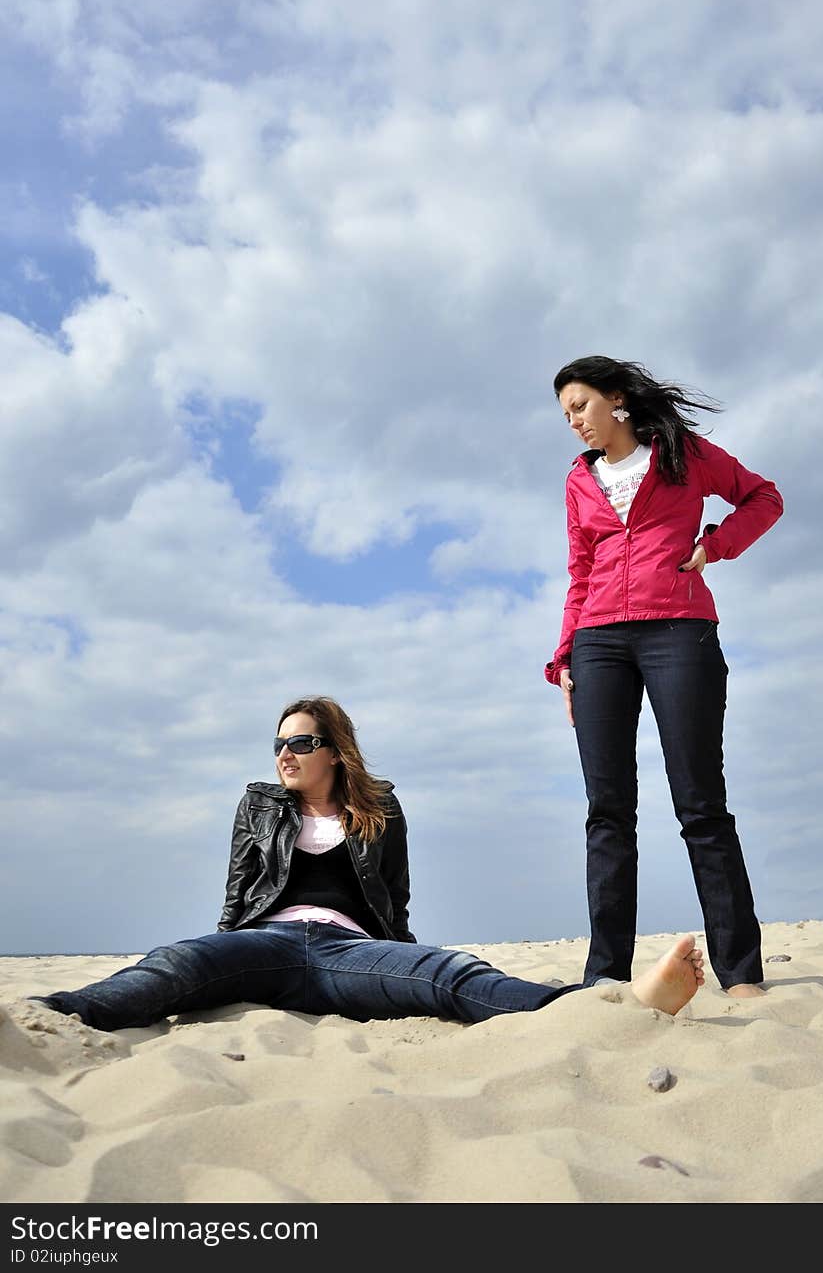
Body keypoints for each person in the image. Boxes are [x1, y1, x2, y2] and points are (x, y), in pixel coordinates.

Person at [32, 696, 704, 1030]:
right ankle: (55, 1011)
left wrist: (399, 960)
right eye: (277, 743)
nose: (284, 753)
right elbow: (236, 896)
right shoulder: (259, 804)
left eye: (300, 740)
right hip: (261, 943)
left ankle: (600, 1011)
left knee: (450, 973)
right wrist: (222, 954)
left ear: (334, 749)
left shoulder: (379, 808)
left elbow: (396, 906)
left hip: (349, 951)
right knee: (174, 963)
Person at [545, 357, 783, 999]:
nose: (574, 423)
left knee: (701, 803)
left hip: (679, 628)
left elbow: (765, 497)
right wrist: (564, 658)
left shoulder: (682, 453)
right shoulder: (579, 481)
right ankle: (604, 977)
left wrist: (714, 546)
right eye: (565, 414)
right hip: (597, 641)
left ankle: (740, 974)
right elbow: (580, 571)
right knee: (607, 811)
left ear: (616, 399)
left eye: (581, 406)